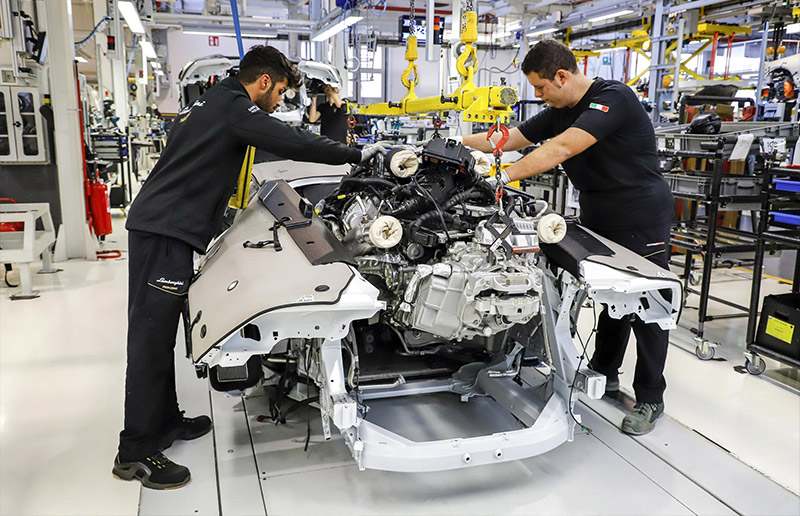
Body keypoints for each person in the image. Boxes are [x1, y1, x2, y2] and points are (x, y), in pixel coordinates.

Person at [112, 45, 386, 490]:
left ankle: (163, 423)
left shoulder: (216, 100)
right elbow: (293, 140)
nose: (279, 102)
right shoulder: (234, 108)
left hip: (166, 229)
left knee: (160, 335)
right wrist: (357, 155)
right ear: (263, 82)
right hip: (163, 233)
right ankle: (136, 451)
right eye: (279, 92)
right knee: (149, 338)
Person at [461, 39, 674, 436]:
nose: (538, 96)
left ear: (561, 76)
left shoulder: (614, 98)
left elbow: (560, 149)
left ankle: (650, 397)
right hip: (598, 212)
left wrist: (501, 177)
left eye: (540, 88)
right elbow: (504, 140)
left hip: (640, 214)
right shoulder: (560, 109)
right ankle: (605, 372)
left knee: (647, 305)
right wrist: (448, 150)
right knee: (609, 297)